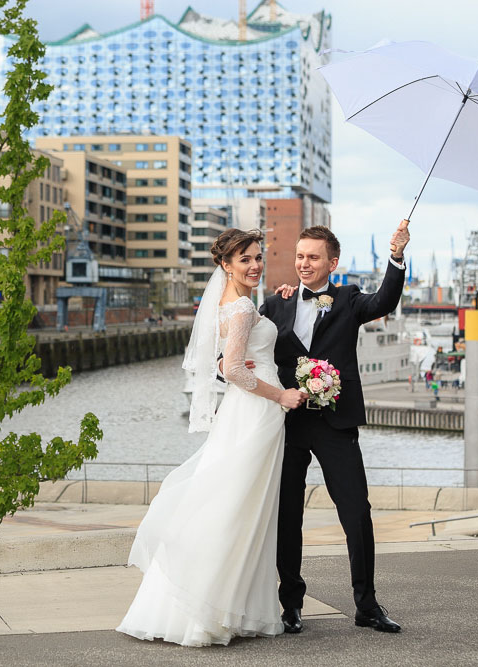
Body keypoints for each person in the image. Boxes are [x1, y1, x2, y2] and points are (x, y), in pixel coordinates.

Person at [116, 228, 306, 647]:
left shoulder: (236, 303)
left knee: (239, 505)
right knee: (237, 507)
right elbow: (236, 369)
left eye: (258, 257)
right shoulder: (239, 306)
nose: (255, 265)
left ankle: (228, 606)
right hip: (257, 411)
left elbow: (224, 363)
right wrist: (283, 395)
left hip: (248, 410)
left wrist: (272, 310)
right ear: (225, 265)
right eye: (245, 260)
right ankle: (211, 609)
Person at [261, 222, 409, 635]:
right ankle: (290, 604)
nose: (304, 263)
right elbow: (249, 348)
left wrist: (395, 256)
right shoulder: (276, 304)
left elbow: (385, 300)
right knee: (288, 516)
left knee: (357, 512)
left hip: (335, 422)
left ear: (332, 262)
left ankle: (366, 605)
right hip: (288, 422)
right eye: (300, 256)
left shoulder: (348, 299)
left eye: (313, 257)